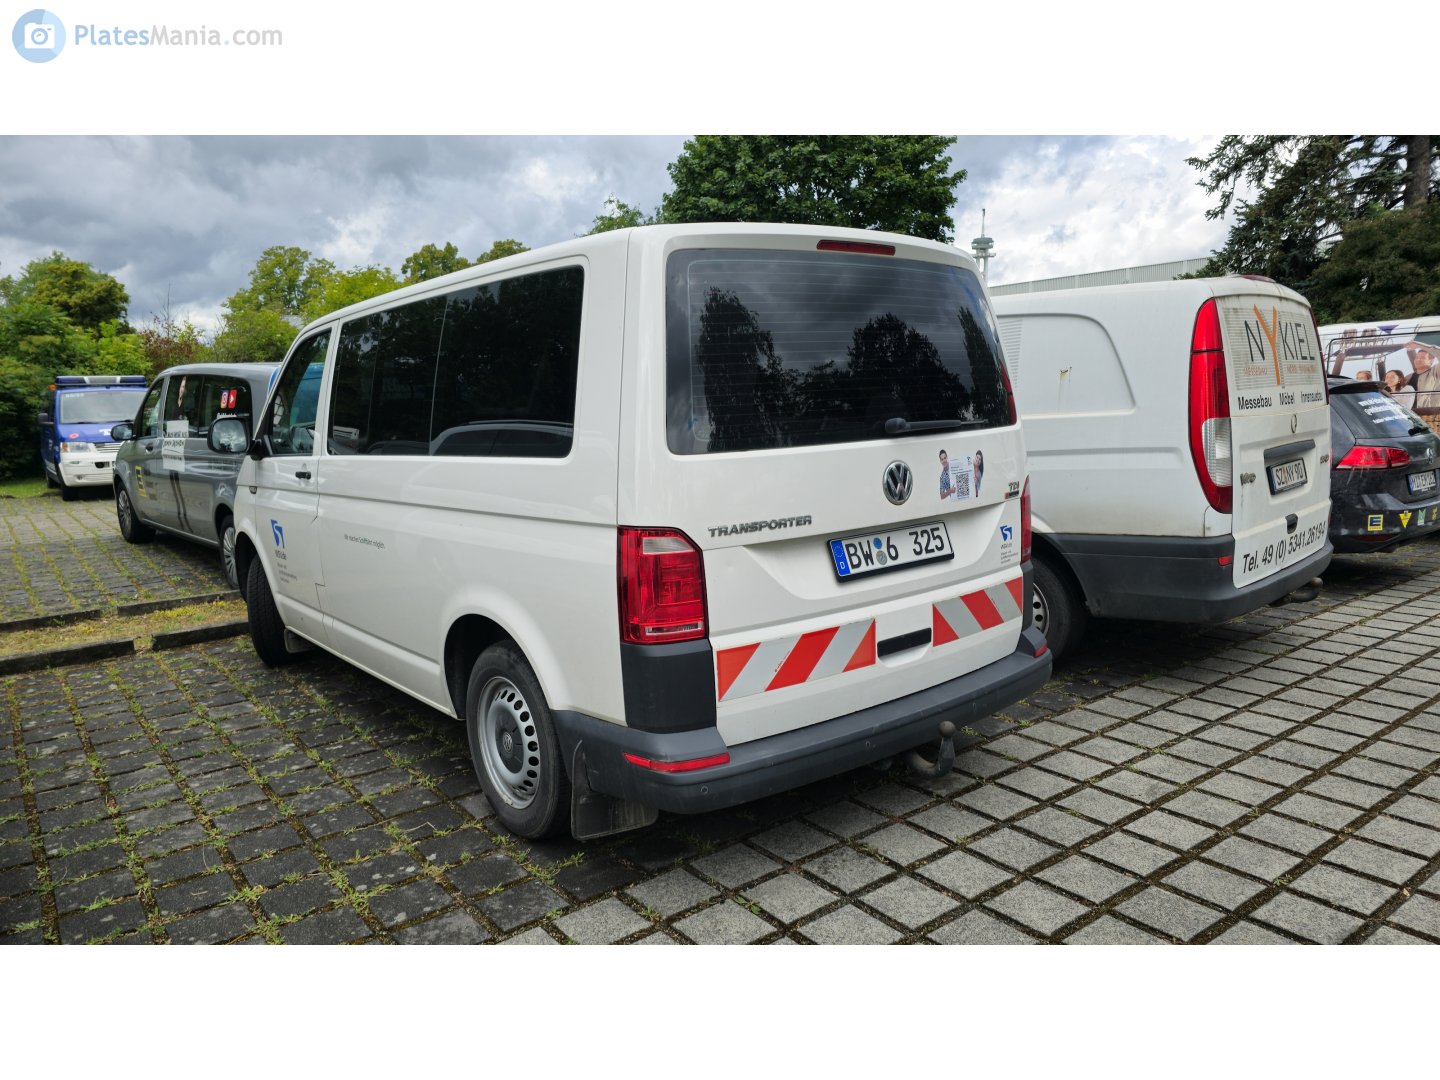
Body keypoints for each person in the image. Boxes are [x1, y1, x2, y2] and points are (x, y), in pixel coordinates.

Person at [1407, 346, 1440, 414]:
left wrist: (1421, 345)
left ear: (1431, 361)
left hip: (1430, 414)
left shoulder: (1435, 371)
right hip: (1409, 414)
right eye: (1416, 357)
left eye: (1422, 358)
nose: (1418, 360)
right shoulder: (1408, 377)